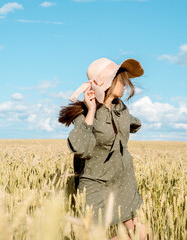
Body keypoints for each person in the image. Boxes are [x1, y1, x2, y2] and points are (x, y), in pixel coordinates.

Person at [58, 57, 151, 239]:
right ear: (108, 83)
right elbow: (82, 148)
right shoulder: (85, 114)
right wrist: (91, 111)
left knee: (141, 234)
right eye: (121, 79)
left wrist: (131, 125)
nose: (125, 84)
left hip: (123, 182)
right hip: (96, 185)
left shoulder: (121, 109)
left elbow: (132, 123)